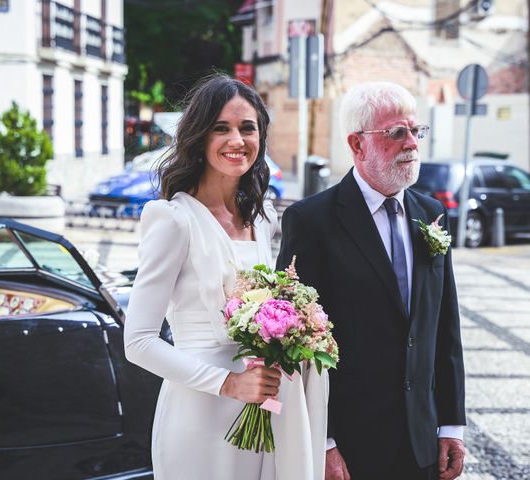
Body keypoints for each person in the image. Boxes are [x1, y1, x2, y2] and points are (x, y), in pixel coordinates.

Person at [124, 74, 328, 480]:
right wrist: (228, 384)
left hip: (265, 407)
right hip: (200, 412)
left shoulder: (262, 217)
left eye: (247, 128)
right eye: (221, 128)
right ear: (199, 137)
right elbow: (139, 342)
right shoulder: (173, 219)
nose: (237, 140)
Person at [276, 81, 466, 480]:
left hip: (422, 442)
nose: (411, 142)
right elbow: (293, 345)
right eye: (396, 132)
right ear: (357, 144)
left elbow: (444, 327)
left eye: (416, 130)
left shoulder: (431, 212)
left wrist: (451, 425)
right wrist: (323, 442)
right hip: (350, 445)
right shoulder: (311, 221)